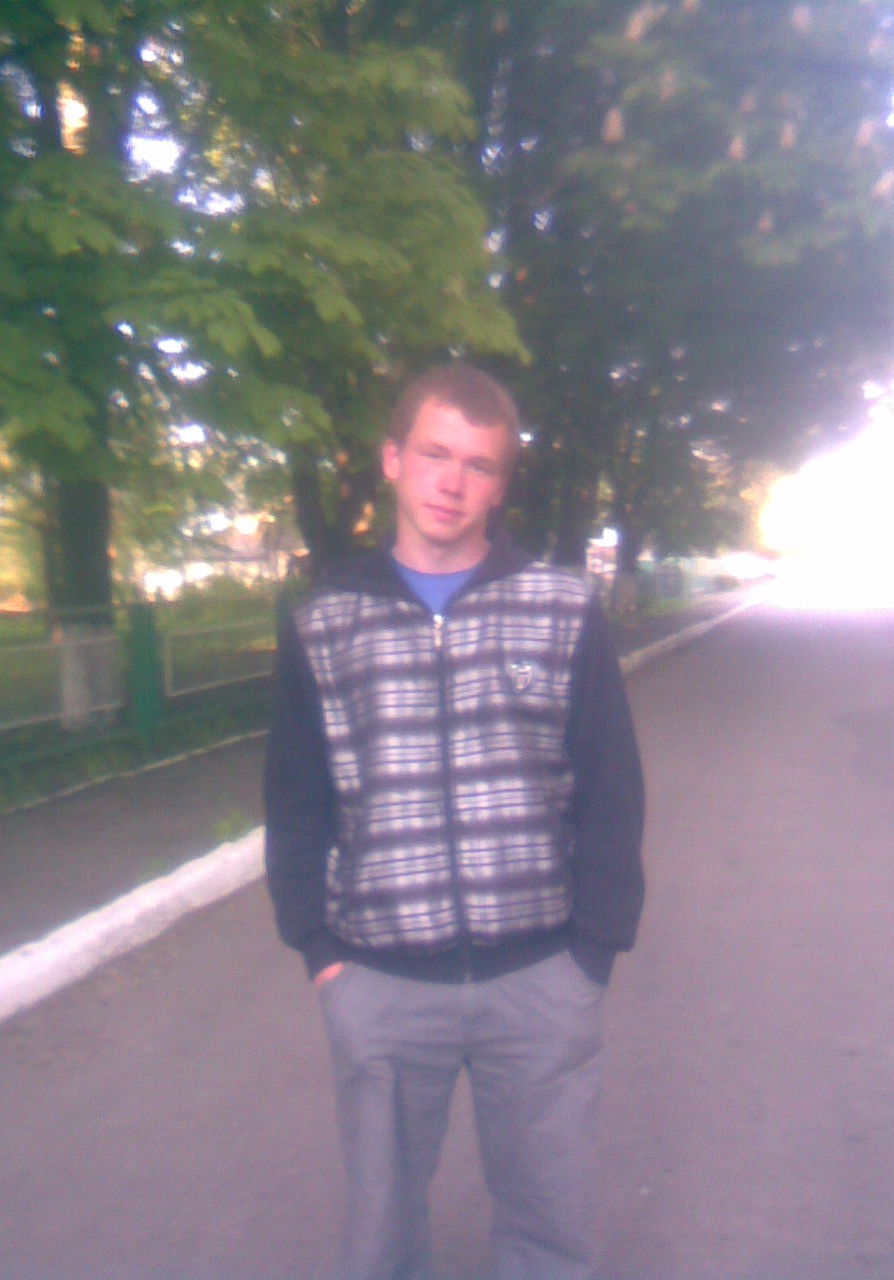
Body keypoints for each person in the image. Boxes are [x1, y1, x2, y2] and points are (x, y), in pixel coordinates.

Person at [264, 364, 645, 1280]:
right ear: (392, 459)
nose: (452, 482)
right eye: (434, 454)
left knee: (551, 1232)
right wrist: (318, 948)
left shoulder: (561, 609)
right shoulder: (325, 623)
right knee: (381, 1240)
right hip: (382, 983)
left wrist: (593, 950)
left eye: (479, 465)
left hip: (540, 979)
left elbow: (612, 786)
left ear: (501, 484)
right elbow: (295, 798)